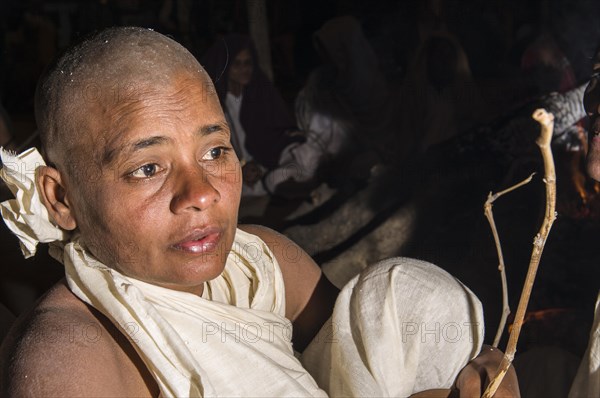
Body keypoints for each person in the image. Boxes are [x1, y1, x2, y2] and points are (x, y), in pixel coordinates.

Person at [0, 27, 519, 397]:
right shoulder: (71, 359)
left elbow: (358, 367)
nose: (201, 193)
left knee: (409, 298)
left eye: (215, 152)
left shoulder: (260, 263)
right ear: (60, 198)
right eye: (147, 168)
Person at [201, 33, 302, 197]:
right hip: (229, 170)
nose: (244, 70)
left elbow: (278, 135)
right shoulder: (213, 103)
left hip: (264, 166)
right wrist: (239, 167)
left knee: (295, 166)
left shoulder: (260, 93)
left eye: (248, 63)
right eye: (237, 64)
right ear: (225, 67)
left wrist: (259, 166)